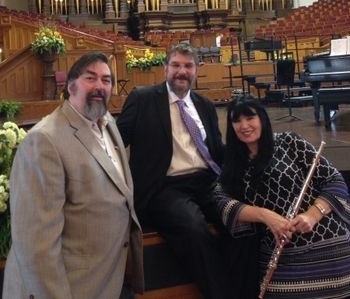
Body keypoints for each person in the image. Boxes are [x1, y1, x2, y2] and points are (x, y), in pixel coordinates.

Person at [3, 52, 144, 299]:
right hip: (72, 286)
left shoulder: (107, 121)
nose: (100, 86)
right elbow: (37, 247)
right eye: (91, 78)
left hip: (110, 276)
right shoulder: (44, 141)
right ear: (70, 86)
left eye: (106, 80)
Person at [117, 43, 233, 299]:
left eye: (188, 66)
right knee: (193, 227)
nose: (182, 71)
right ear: (165, 68)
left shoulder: (205, 105)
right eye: (176, 65)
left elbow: (217, 149)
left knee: (241, 218)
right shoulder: (143, 98)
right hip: (164, 188)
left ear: (196, 71)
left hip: (207, 181)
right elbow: (115, 143)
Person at [214, 94, 350, 299]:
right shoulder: (233, 163)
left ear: (262, 118)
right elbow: (221, 200)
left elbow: (334, 180)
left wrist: (312, 215)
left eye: (250, 118)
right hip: (281, 252)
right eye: (237, 120)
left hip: (327, 242)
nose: (244, 125)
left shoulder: (289, 141)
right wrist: (265, 216)